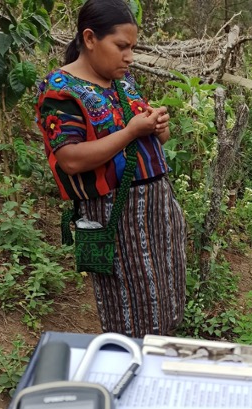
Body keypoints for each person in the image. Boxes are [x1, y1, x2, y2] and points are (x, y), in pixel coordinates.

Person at [35, 0, 186, 337]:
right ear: (90, 38)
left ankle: (156, 369)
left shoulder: (123, 81)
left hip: (158, 205)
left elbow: (149, 139)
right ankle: (128, 373)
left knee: (165, 296)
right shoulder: (61, 91)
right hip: (116, 212)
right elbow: (70, 159)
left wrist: (158, 127)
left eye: (131, 47)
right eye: (121, 46)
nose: (129, 56)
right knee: (131, 310)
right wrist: (131, 130)